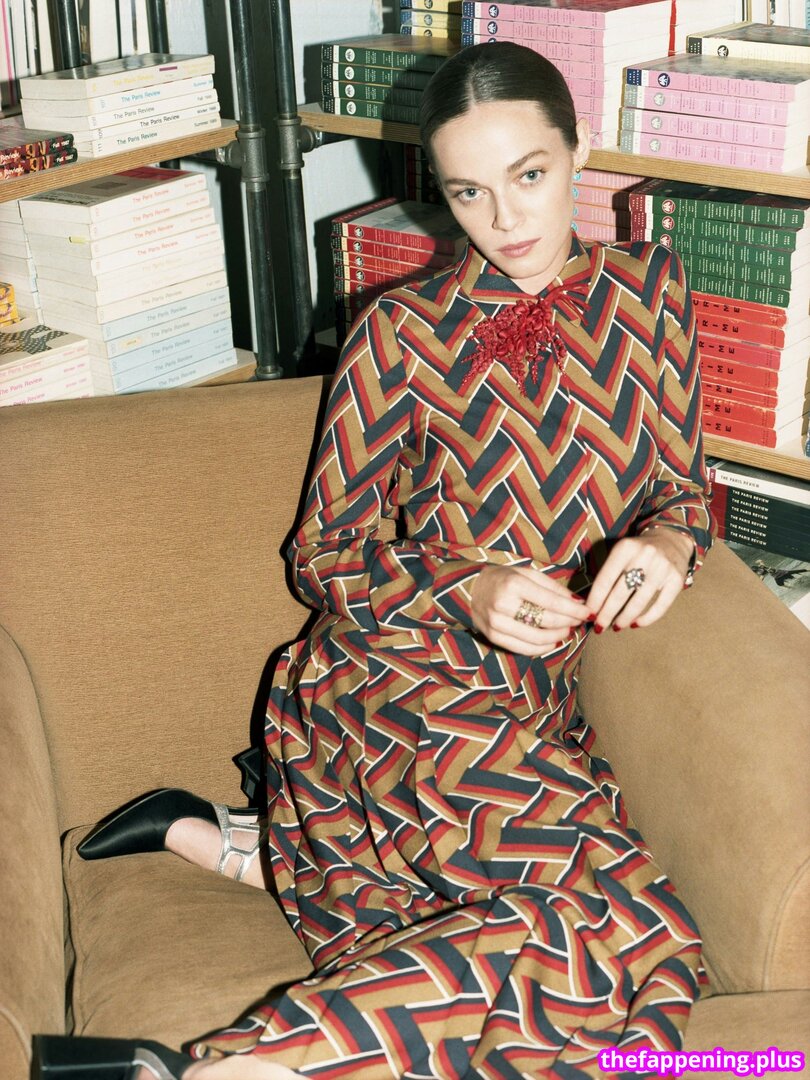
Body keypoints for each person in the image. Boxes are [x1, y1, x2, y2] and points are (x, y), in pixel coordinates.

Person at [35, 41, 715, 1080]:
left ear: (581, 148)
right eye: (469, 193)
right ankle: (234, 1064)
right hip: (394, 677)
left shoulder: (651, 289)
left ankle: (240, 871)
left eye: (530, 175)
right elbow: (324, 556)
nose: (506, 220)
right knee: (625, 925)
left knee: (609, 955)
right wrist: (469, 585)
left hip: (533, 702)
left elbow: (682, 486)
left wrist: (669, 540)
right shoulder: (400, 330)